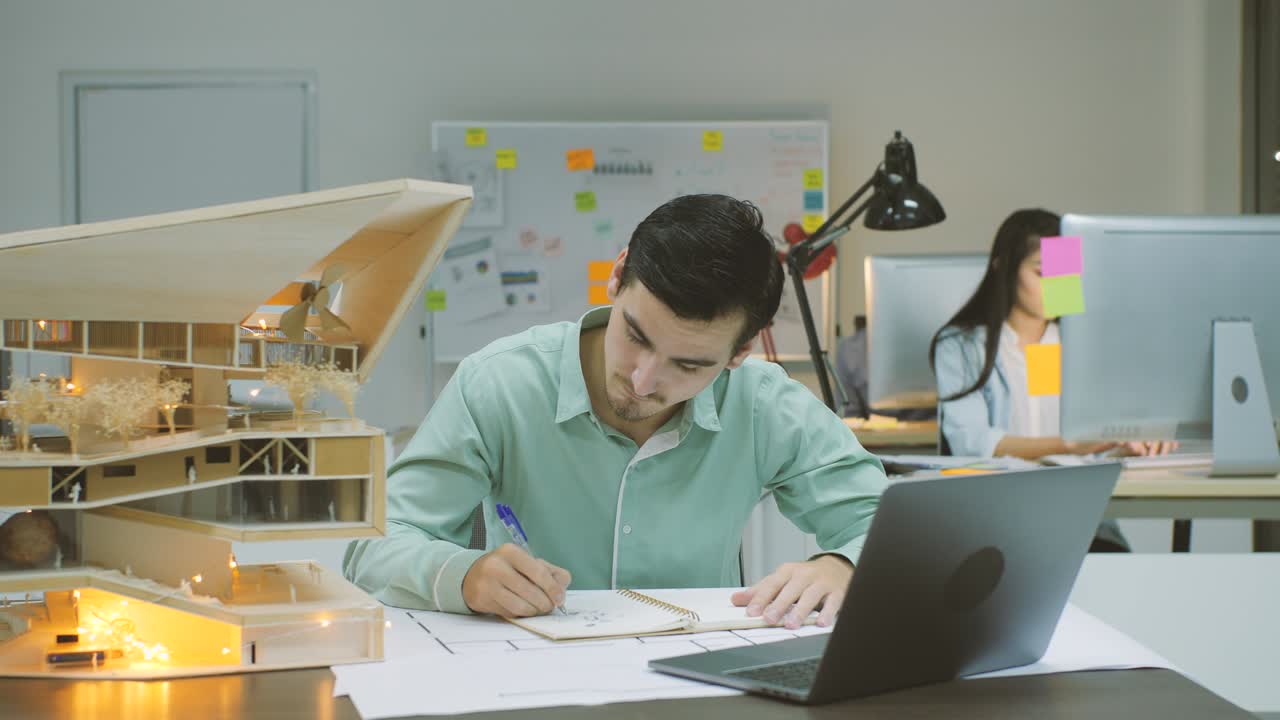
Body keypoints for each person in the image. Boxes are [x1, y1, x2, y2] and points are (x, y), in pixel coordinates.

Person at [344, 194, 887, 629]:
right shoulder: (500, 383)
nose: (644, 380)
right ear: (618, 274)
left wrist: (843, 566)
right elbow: (373, 546)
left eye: (689, 365)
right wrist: (461, 576)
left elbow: (891, 524)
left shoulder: (763, 403)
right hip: (530, 685)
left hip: (698, 688)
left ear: (740, 353)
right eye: (635, 334)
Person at [928, 208, 1173, 552]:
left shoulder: (1076, 344)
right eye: (1044, 272)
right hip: (996, 518)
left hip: (1076, 516)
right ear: (1002, 269)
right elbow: (974, 443)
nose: (1057, 286)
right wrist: (1069, 445)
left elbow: (1098, 434)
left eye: (1066, 273)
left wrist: (1135, 435)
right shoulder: (961, 346)